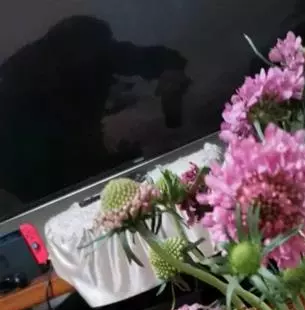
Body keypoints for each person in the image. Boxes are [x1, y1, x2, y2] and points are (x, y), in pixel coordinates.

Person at [0, 15, 189, 207]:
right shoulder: (25, 86)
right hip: (42, 178)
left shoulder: (92, 50)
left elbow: (141, 56)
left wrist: (172, 68)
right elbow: (68, 168)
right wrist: (130, 157)